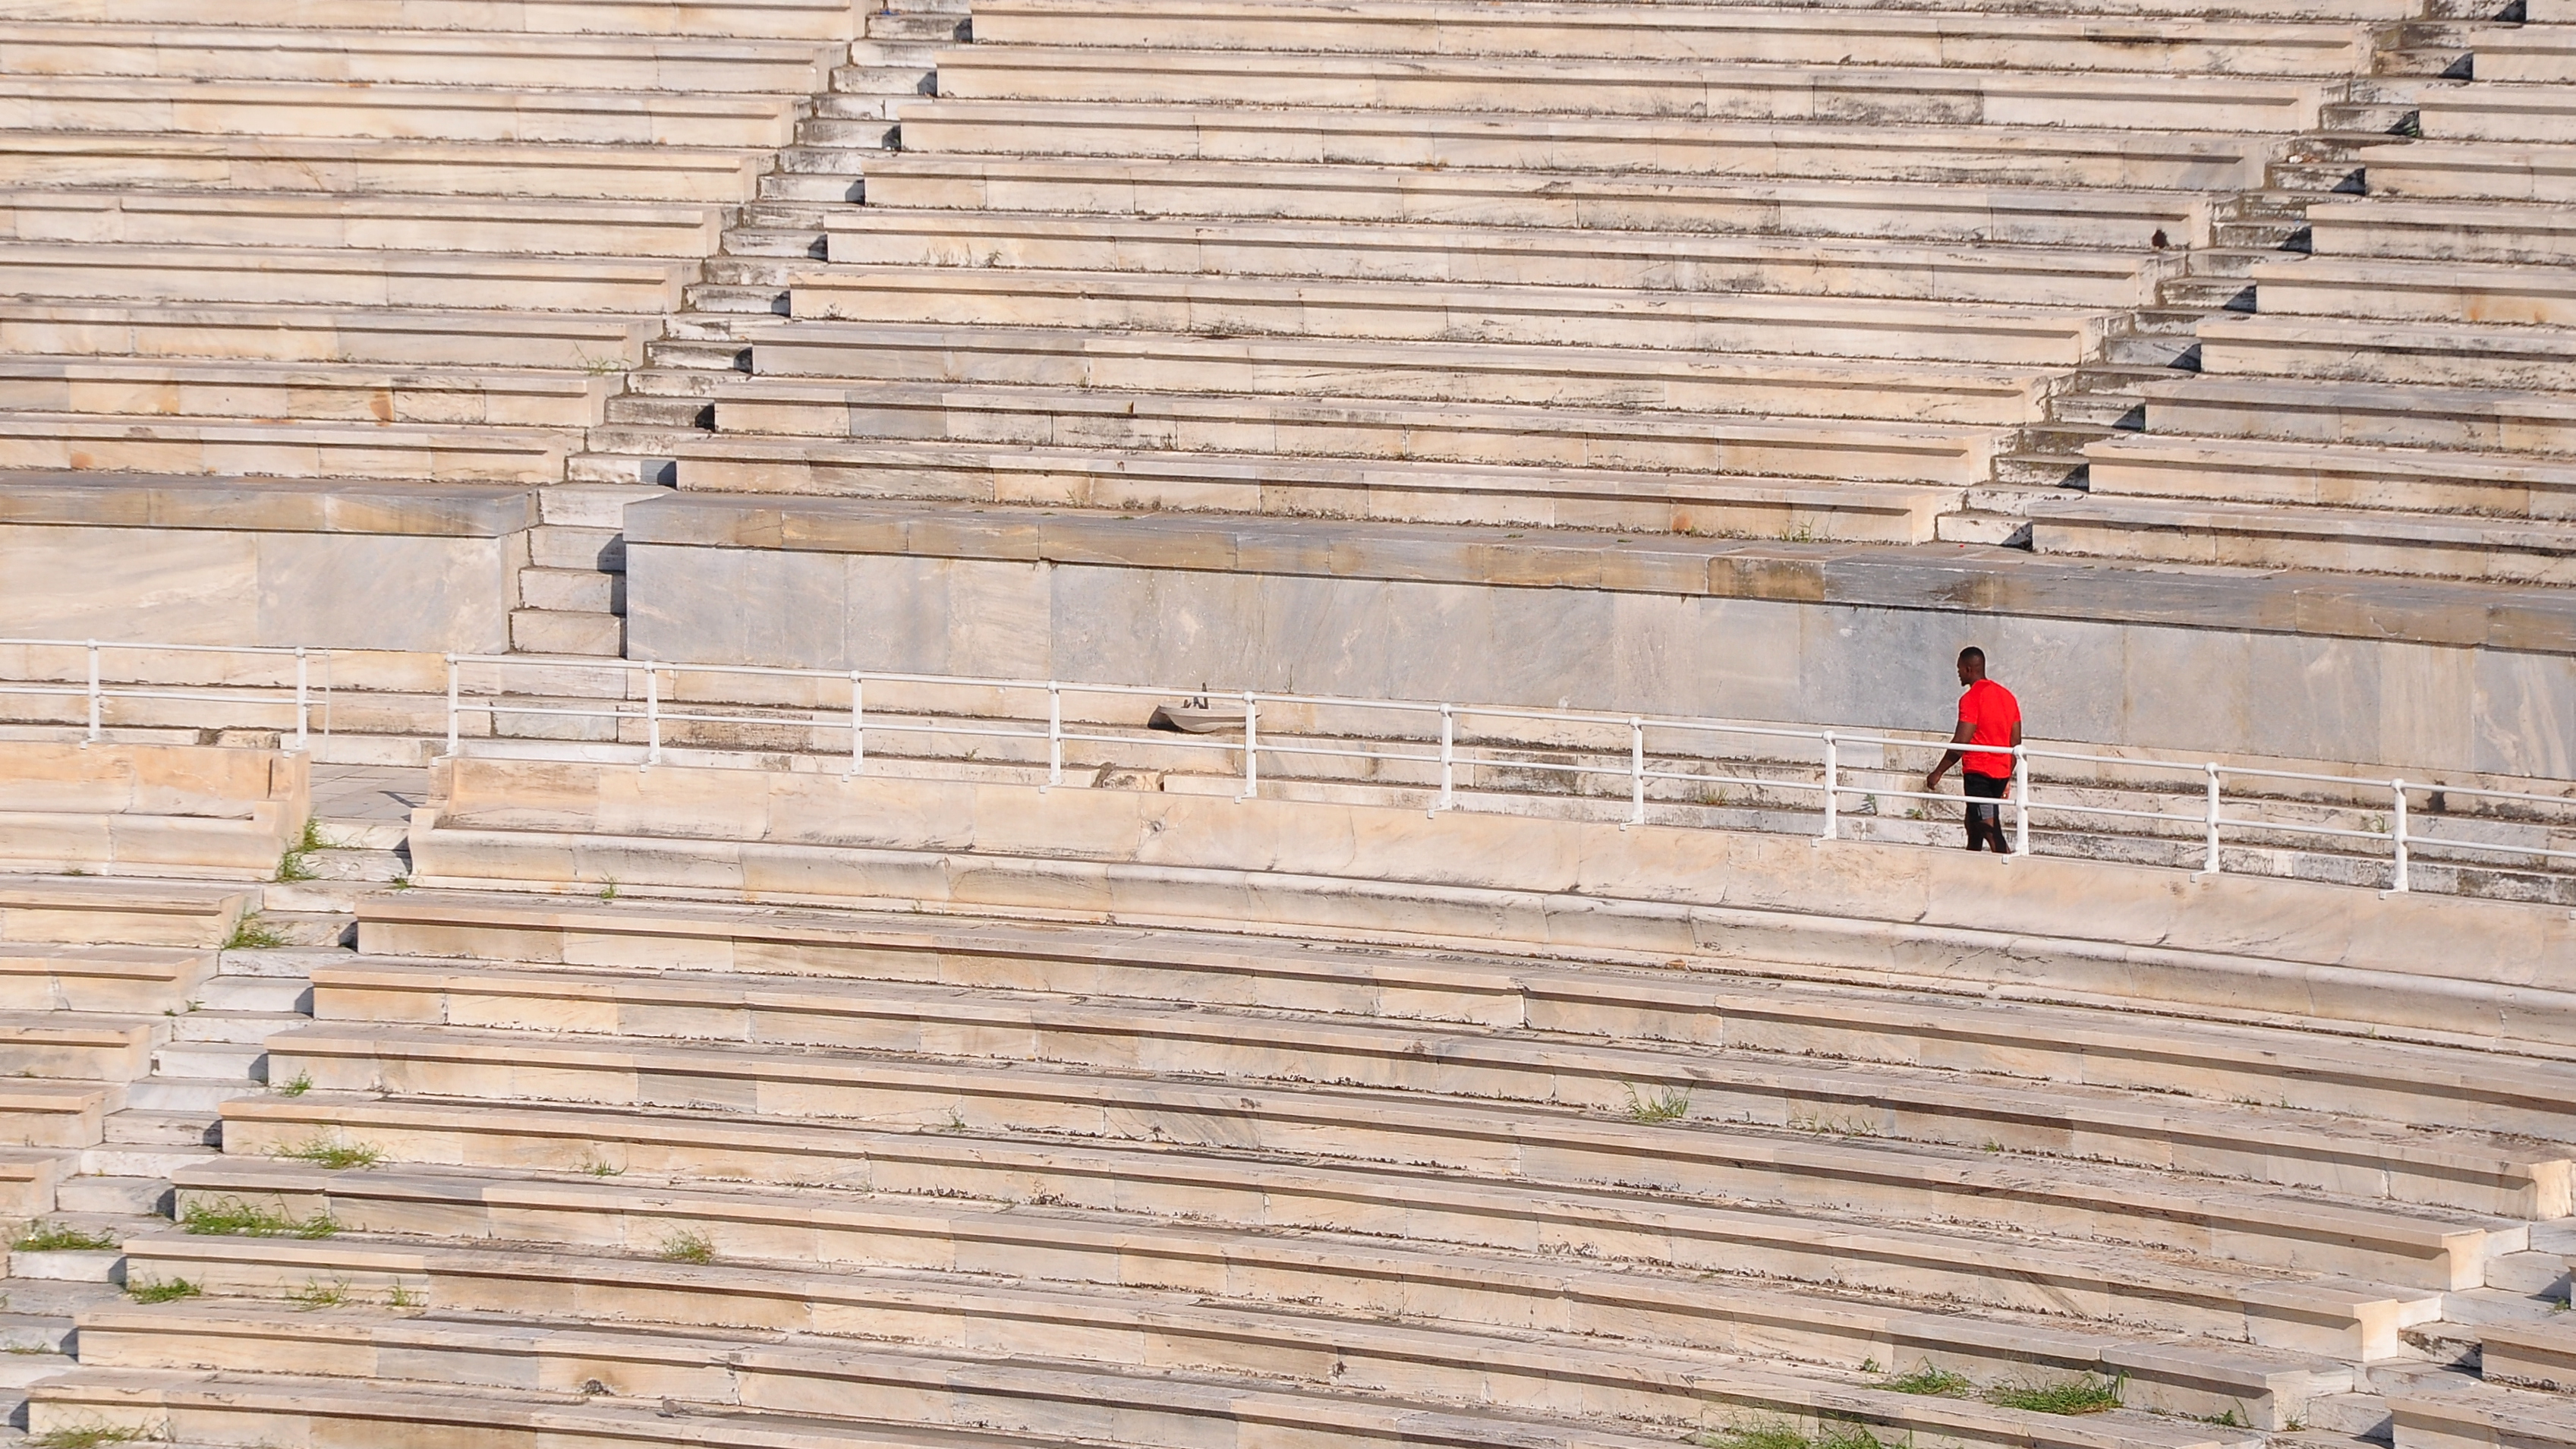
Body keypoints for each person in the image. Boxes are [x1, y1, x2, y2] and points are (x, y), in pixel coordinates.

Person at [1923, 646, 2021, 855]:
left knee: (1990, 828)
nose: (1958, 673)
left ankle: (2009, 874)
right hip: (2000, 773)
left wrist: (1938, 772)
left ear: (1969, 669)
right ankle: (1969, 866)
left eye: (1959, 668)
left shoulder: (1971, 698)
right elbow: (2015, 742)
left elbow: (1961, 741)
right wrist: (2006, 776)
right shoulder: (2008, 697)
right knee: (1973, 822)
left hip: (1980, 774)